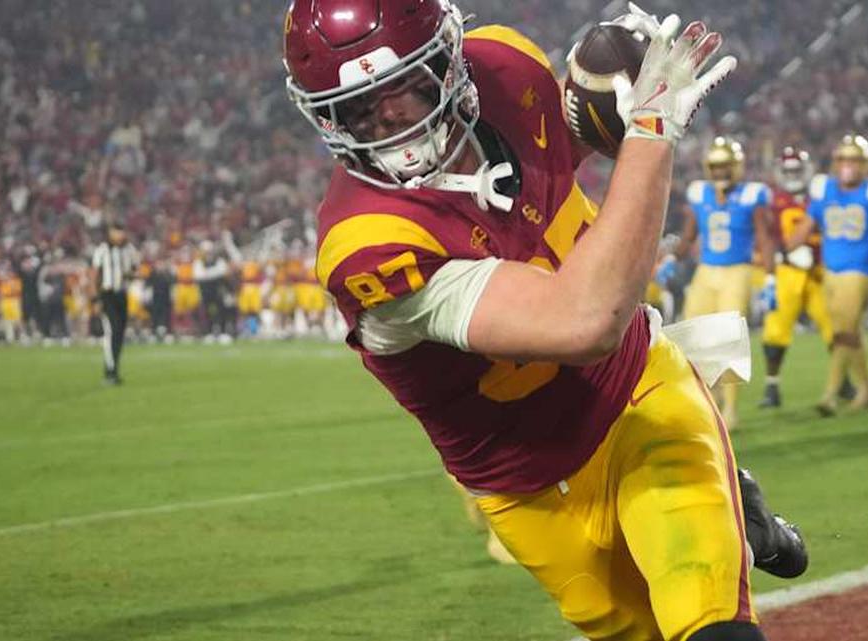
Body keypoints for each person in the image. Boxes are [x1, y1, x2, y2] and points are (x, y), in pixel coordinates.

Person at [283, 2, 795, 639]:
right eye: (356, 106)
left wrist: (619, 91)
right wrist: (651, 129)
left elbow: (565, 149)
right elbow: (580, 320)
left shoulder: (504, 67)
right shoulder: (369, 243)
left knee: (710, 622)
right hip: (524, 485)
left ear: (446, 62)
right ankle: (739, 503)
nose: (385, 118)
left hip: (637, 395)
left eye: (402, 87)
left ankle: (717, 492)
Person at [788, 135, 868, 416]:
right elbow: (805, 227)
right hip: (831, 274)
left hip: (861, 273)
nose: (848, 166)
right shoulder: (824, 189)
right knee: (849, 334)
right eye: (844, 160)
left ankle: (830, 395)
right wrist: (785, 250)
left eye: (854, 160)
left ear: (865, 164)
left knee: (843, 335)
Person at [676, 137, 774, 428]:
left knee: (728, 340)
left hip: (738, 270)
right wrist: (669, 259)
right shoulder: (699, 193)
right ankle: (711, 399)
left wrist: (769, 277)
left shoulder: (751, 196)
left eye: (726, 166)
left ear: (737, 167)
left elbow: (765, 238)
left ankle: (730, 409)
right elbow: (688, 237)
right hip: (706, 270)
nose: (721, 173)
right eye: (716, 167)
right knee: (692, 336)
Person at [759, 147, 835, 409]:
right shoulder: (772, 200)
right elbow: (766, 237)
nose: (792, 175)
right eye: (788, 170)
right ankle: (772, 386)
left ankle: (842, 380)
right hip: (788, 271)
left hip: (820, 271)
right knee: (776, 331)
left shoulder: (821, 196)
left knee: (834, 328)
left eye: (796, 170)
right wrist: (776, 263)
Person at [90, 223, 140, 384]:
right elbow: (94, 275)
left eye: (121, 232)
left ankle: (114, 369)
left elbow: (134, 270)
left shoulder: (129, 249)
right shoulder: (102, 250)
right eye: (116, 232)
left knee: (119, 333)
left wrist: (130, 275)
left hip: (122, 295)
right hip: (107, 295)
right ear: (111, 233)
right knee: (112, 331)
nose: (120, 235)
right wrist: (95, 299)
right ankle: (109, 371)